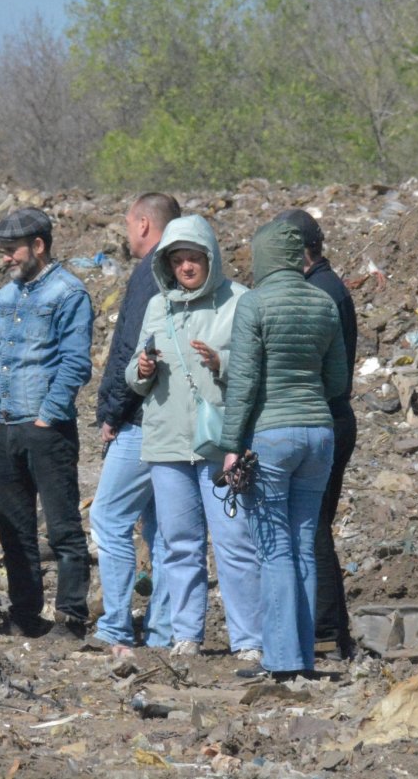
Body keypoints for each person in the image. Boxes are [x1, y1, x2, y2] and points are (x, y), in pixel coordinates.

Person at [126, 215, 263, 661]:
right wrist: (141, 370)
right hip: (167, 443)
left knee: (234, 543)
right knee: (179, 545)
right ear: (166, 265)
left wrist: (221, 362)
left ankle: (248, 639)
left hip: (220, 446)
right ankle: (186, 635)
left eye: (194, 258)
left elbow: (258, 371)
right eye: (178, 260)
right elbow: (133, 373)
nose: (186, 267)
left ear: (211, 259)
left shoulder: (240, 302)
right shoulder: (157, 307)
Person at [217, 217, 348, 681]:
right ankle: (305, 657)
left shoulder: (254, 304)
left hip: (271, 437)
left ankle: (281, 659)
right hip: (319, 434)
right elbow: (337, 382)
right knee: (304, 546)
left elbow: (245, 382)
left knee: (273, 551)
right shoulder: (323, 302)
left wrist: (231, 446)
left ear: (262, 256)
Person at [0, 207, 94, 639]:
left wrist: (48, 414)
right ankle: (25, 614)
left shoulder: (68, 293)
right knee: (14, 528)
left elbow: (75, 363)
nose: (6, 258)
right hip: (4, 426)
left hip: (47, 430)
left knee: (63, 528)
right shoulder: (6, 297)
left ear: (38, 246)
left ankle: (70, 618)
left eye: (11, 251)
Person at [91, 193, 180, 657]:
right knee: (162, 530)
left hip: (142, 420)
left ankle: (116, 626)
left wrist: (112, 412)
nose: (128, 233)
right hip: (172, 420)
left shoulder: (149, 273)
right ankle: (164, 629)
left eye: (129, 224)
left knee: (109, 517)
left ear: (144, 224)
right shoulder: (188, 269)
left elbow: (134, 347)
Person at [276, 209, 359, 659]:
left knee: (312, 527)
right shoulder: (327, 286)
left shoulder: (321, 292)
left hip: (324, 417)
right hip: (331, 416)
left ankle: (325, 630)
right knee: (314, 524)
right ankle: (328, 630)